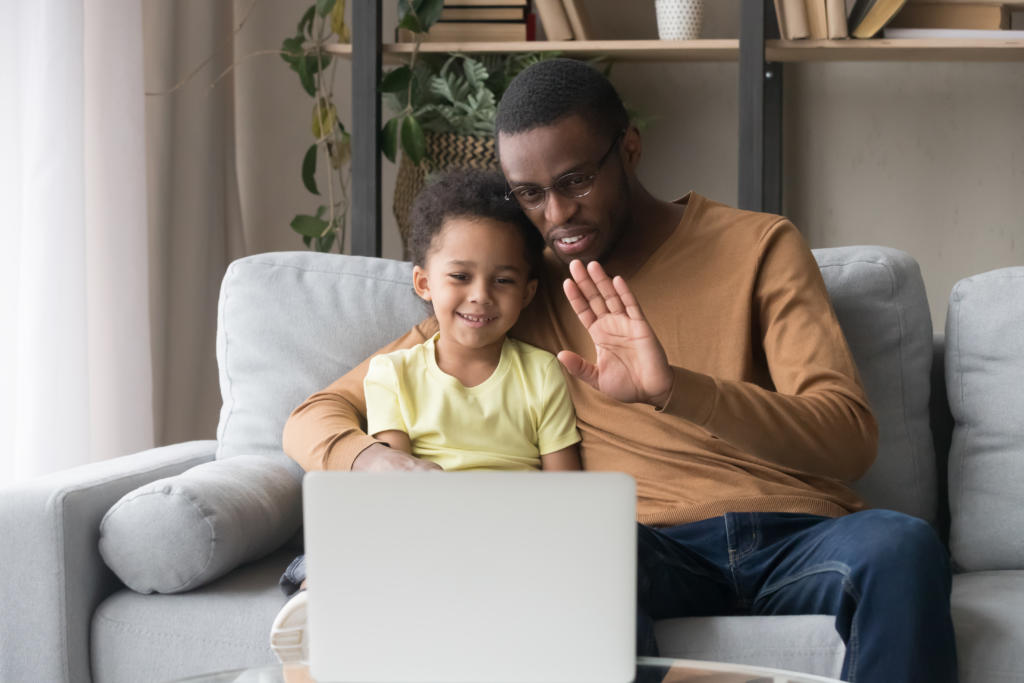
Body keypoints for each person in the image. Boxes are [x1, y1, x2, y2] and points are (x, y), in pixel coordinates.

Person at [281, 59, 957, 682]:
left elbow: (848, 436)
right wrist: (375, 464)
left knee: (902, 545)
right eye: (530, 194)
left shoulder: (759, 247)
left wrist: (677, 391)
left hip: (794, 530)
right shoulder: (519, 288)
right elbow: (314, 415)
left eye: (575, 181)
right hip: (642, 542)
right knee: (562, 561)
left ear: (629, 149)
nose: (556, 215)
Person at [269, 168, 582, 662]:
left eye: (502, 280)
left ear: (526, 292)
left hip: (509, 535)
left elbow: (568, 498)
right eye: (460, 277)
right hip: (422, 526)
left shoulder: (543, 374)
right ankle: (322, 604)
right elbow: (396, 483)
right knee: (364, 534)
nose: (480, 294)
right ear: (423, 282)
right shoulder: (392, 372)